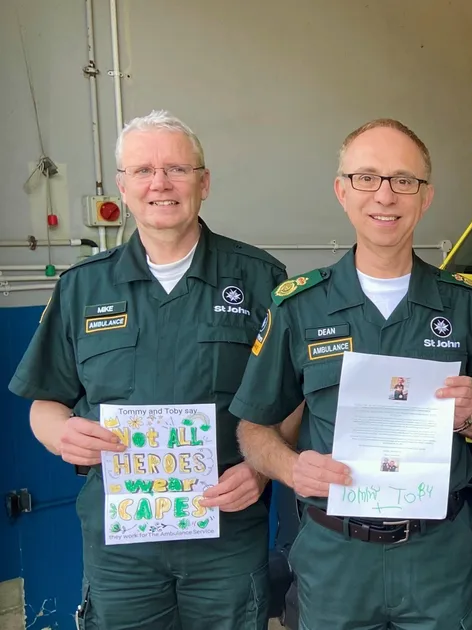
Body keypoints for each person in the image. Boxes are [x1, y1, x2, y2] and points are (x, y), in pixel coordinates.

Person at [230, 118, 472, 629]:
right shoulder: (299, 307)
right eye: (367, 178)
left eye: (403, 180)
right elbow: (254, 428)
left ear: (425, 197)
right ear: (342, 192)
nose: (385, 195)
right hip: (334, 555)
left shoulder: (464, 305)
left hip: (436, 553)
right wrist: (289, 468)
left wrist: (471, 417)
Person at [6, 110, 292, 629]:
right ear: (122, 185)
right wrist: (60, 433)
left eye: (177, 169)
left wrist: (261, 467)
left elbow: (292, 400)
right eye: (142, 171)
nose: (160, 183)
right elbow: (44, 401)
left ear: (203, 182)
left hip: (225, 535)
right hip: (121, 546)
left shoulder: (259, 279)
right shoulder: (82, 288)